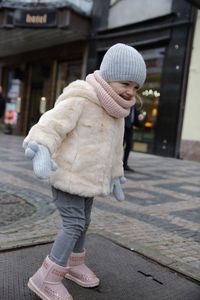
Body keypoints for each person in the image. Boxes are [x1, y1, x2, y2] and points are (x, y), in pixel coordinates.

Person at [22, 43, 146, 300]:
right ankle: (45, 277)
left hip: (89, 179)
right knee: (74, 223)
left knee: (84, 222)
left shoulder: (117, 112)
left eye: (136, 87)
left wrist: (115, 176)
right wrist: (42, 149)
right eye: (125, 83)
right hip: (67, 175)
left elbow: (115, 149)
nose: (130, 92)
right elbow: (51, 124)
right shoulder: (81, 97)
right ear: (109, 76)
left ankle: (74, 264)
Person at [123, 96, 144, 172]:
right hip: (123, 127)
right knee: (120, 145)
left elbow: (136, 117)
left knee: (129, 145)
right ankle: (116, 163)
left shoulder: (134, 106)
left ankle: (124, 164)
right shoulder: (124, 102)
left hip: (130, 128)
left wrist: (140, 117)